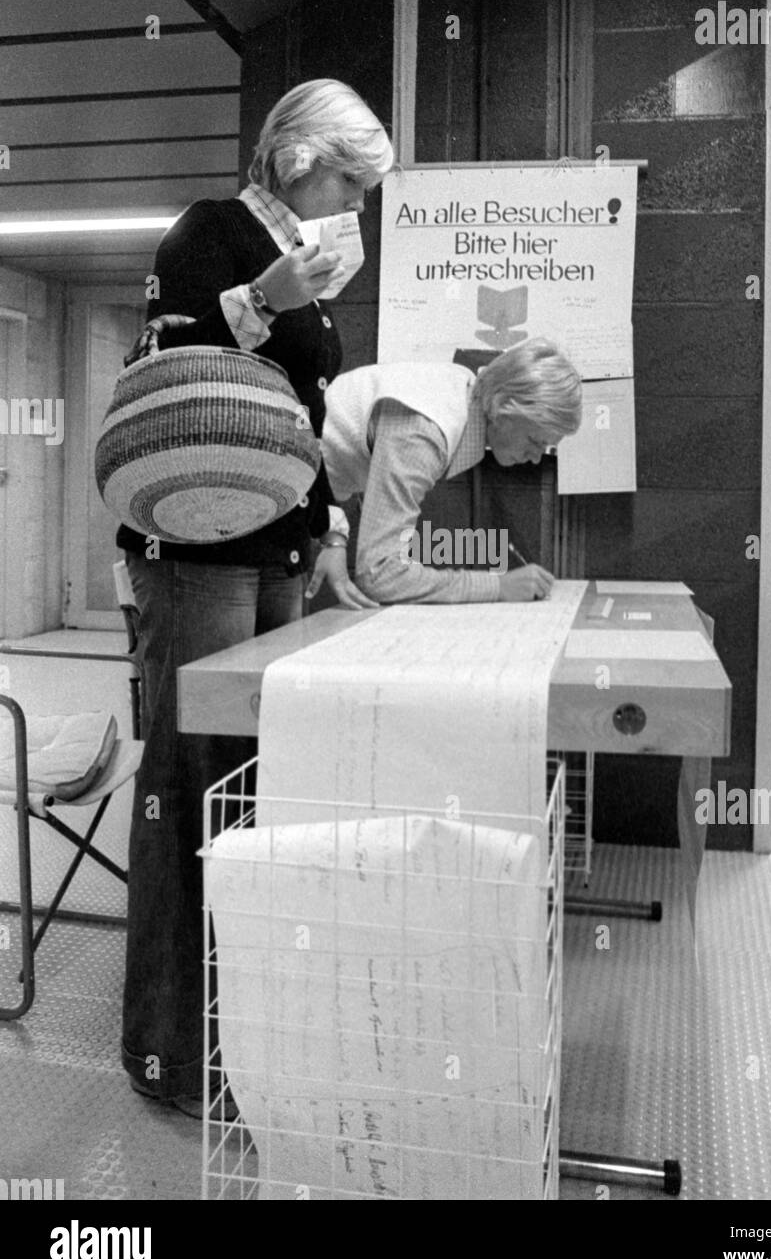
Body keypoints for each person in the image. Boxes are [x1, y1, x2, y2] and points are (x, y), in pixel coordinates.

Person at [118, 79, 393, 1115]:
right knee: (188, 785)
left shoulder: (309, 276)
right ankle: (171, 1054)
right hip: (196, 549)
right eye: (348, 181)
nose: (354, 207)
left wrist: (323, 536)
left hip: (276, 548)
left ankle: (249, 1040)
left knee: (251, 795)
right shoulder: (210, 234)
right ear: (293, 159)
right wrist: (263, 298)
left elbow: (305, 416)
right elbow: (166, 367)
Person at [319, 339, 583, 604]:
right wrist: (497, 587)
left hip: (310, 496)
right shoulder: (425, 427)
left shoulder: (462, 390)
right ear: (503, 404)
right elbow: (380, 574)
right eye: (534, 441)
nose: (536, 458)